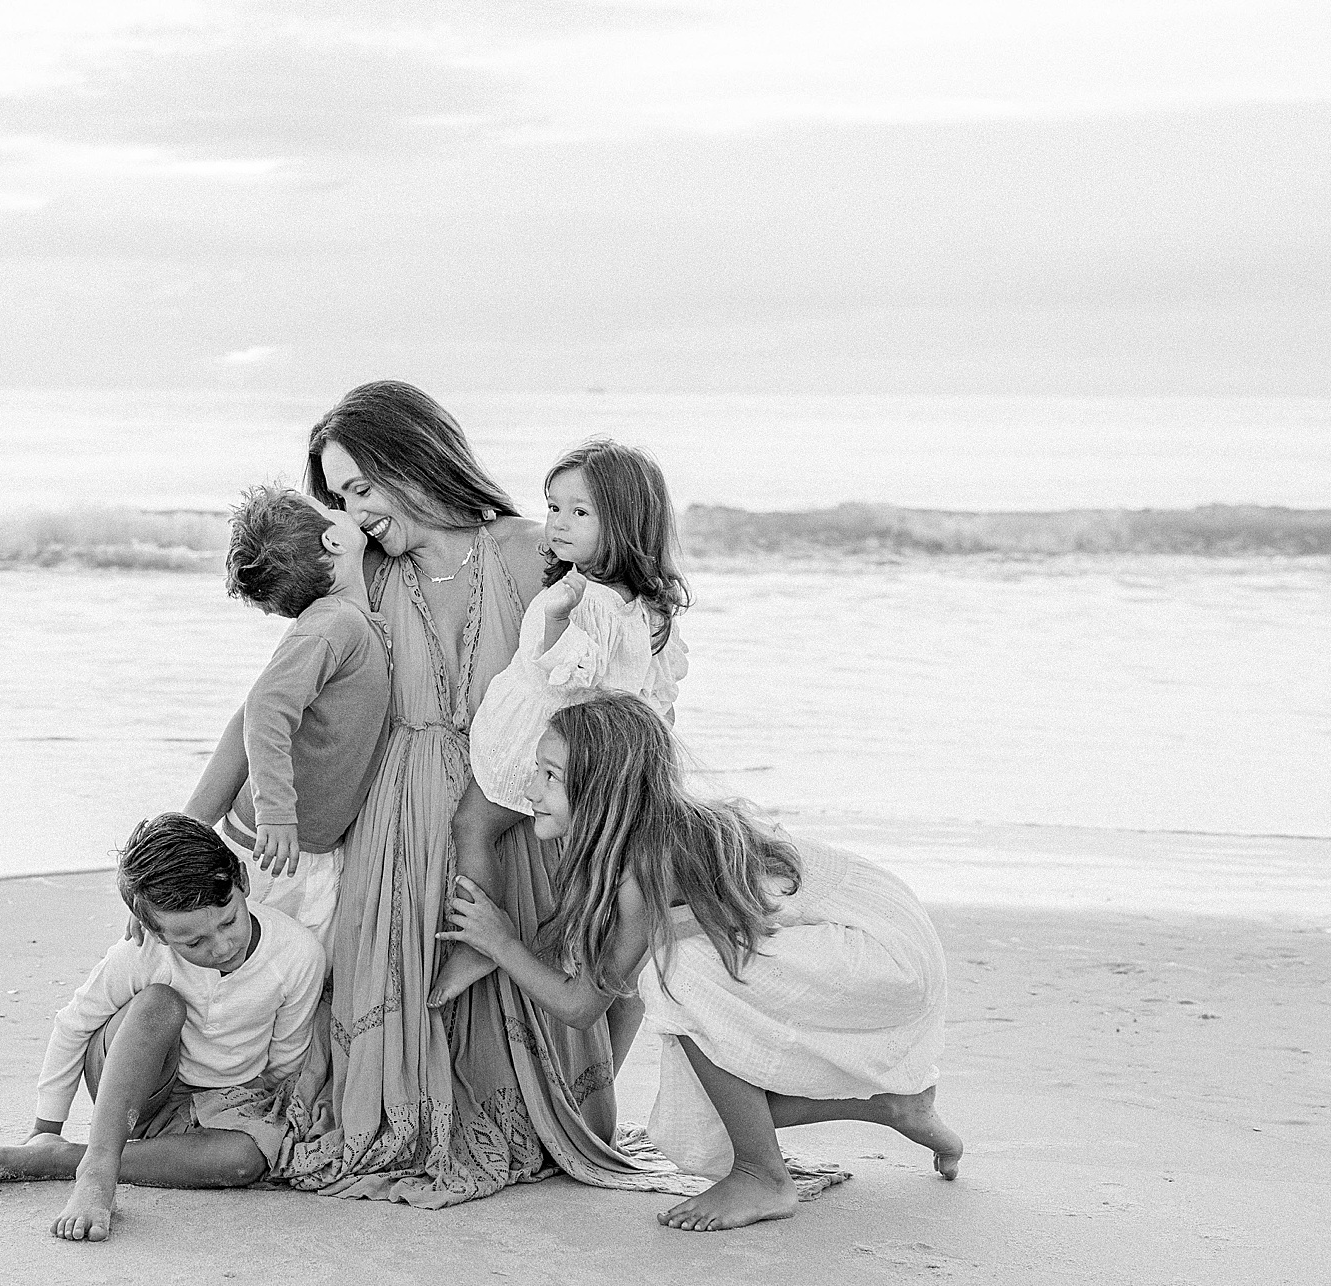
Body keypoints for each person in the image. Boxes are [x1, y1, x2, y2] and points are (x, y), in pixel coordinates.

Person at [265, 380, 701, 1206]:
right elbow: (283, 691)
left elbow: (620, 678)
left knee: (577, 1070)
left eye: (362, 487)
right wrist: (220, 805)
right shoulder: (360, 580)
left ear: (415, 458)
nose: (353, 513)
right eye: (339, 497)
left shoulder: (530, 552)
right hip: (393, 819)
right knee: (404, 995)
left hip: (520, 806)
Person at [438, 692, 963, 1232]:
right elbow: (606, 974)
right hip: (880, 935)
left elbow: (581, 1006)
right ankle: (894, 1107)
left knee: (677, 977)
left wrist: (502, 944)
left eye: (551, 776)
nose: (531, 792)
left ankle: (763, 1176)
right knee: (707, 1110)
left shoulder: (646, 864)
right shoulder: (647, 836)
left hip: (881, 948)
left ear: (602, 791)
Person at [429, 439, 690, 1038]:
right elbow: (656, 699)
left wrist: (549, 623)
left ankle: (478, 940)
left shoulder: (587, 602)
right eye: (553, 507)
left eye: (580, 512)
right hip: (604, 757)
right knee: (593, 884)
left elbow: (563, 677)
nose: (558, 523)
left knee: (473, 826)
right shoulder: (646, 607)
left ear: (625, 522)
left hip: (549, 740)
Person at [0, 813, 326, 1242]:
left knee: (246, 1160)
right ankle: (96, 1174)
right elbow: (74, 1025)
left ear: (241, 882)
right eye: (194, 943)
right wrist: (46, 1125)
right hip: (137, 1090)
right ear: (155, 928)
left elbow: (285, 1063)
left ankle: (64, 1159)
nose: (222, 946)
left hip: (222, 1107)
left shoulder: (298, 953)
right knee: (159, 1003)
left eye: (228, 921)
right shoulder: (145, 952)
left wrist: (251, 1121)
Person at [201, 483, 391, 948]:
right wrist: (278, 814)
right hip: (274, 847)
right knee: (261, 972)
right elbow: (265, 709)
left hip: (303, 846)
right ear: (334, 541)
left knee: (290, 974)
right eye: (331, 507)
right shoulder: (336, 623)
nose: (343, 510)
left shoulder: (342, 623)